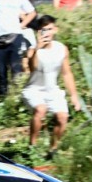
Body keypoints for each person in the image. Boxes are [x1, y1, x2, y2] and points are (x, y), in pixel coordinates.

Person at [22, 15, 82, 155]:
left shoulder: (61, 49)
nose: (47, 33)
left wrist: (74, 95)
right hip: (34, 89)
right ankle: (32, 147)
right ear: (39, 32)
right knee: (40, 109)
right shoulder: (34, 50)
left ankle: (53, 150)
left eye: (49, 29)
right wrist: (37, 48)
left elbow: (66, 73)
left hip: (52, 89)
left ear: (55, 30)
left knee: (62, 118)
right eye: (43, 30)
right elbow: (32, 68)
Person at [18, 0, 38, 70]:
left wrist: (25, 18)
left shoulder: (31, 8)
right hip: (16, 32)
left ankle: (27, 69)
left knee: (32, 47)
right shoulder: (13, 5)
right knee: (21, 52)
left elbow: (35, 24)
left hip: (28, 31)